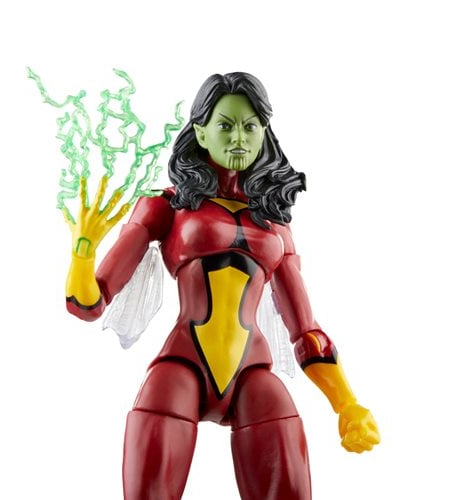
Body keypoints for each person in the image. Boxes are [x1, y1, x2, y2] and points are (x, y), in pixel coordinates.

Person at [65, 72, 380, 500]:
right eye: (226, 125)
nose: (238, 138)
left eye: (250, 126)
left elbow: (305, 331)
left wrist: (347, 404)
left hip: (253, 375)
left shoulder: (275, 223)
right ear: (200, 132)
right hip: (181, 367)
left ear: (264, 131)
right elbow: (90, 303)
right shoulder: (166, 205)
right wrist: (83, 252)